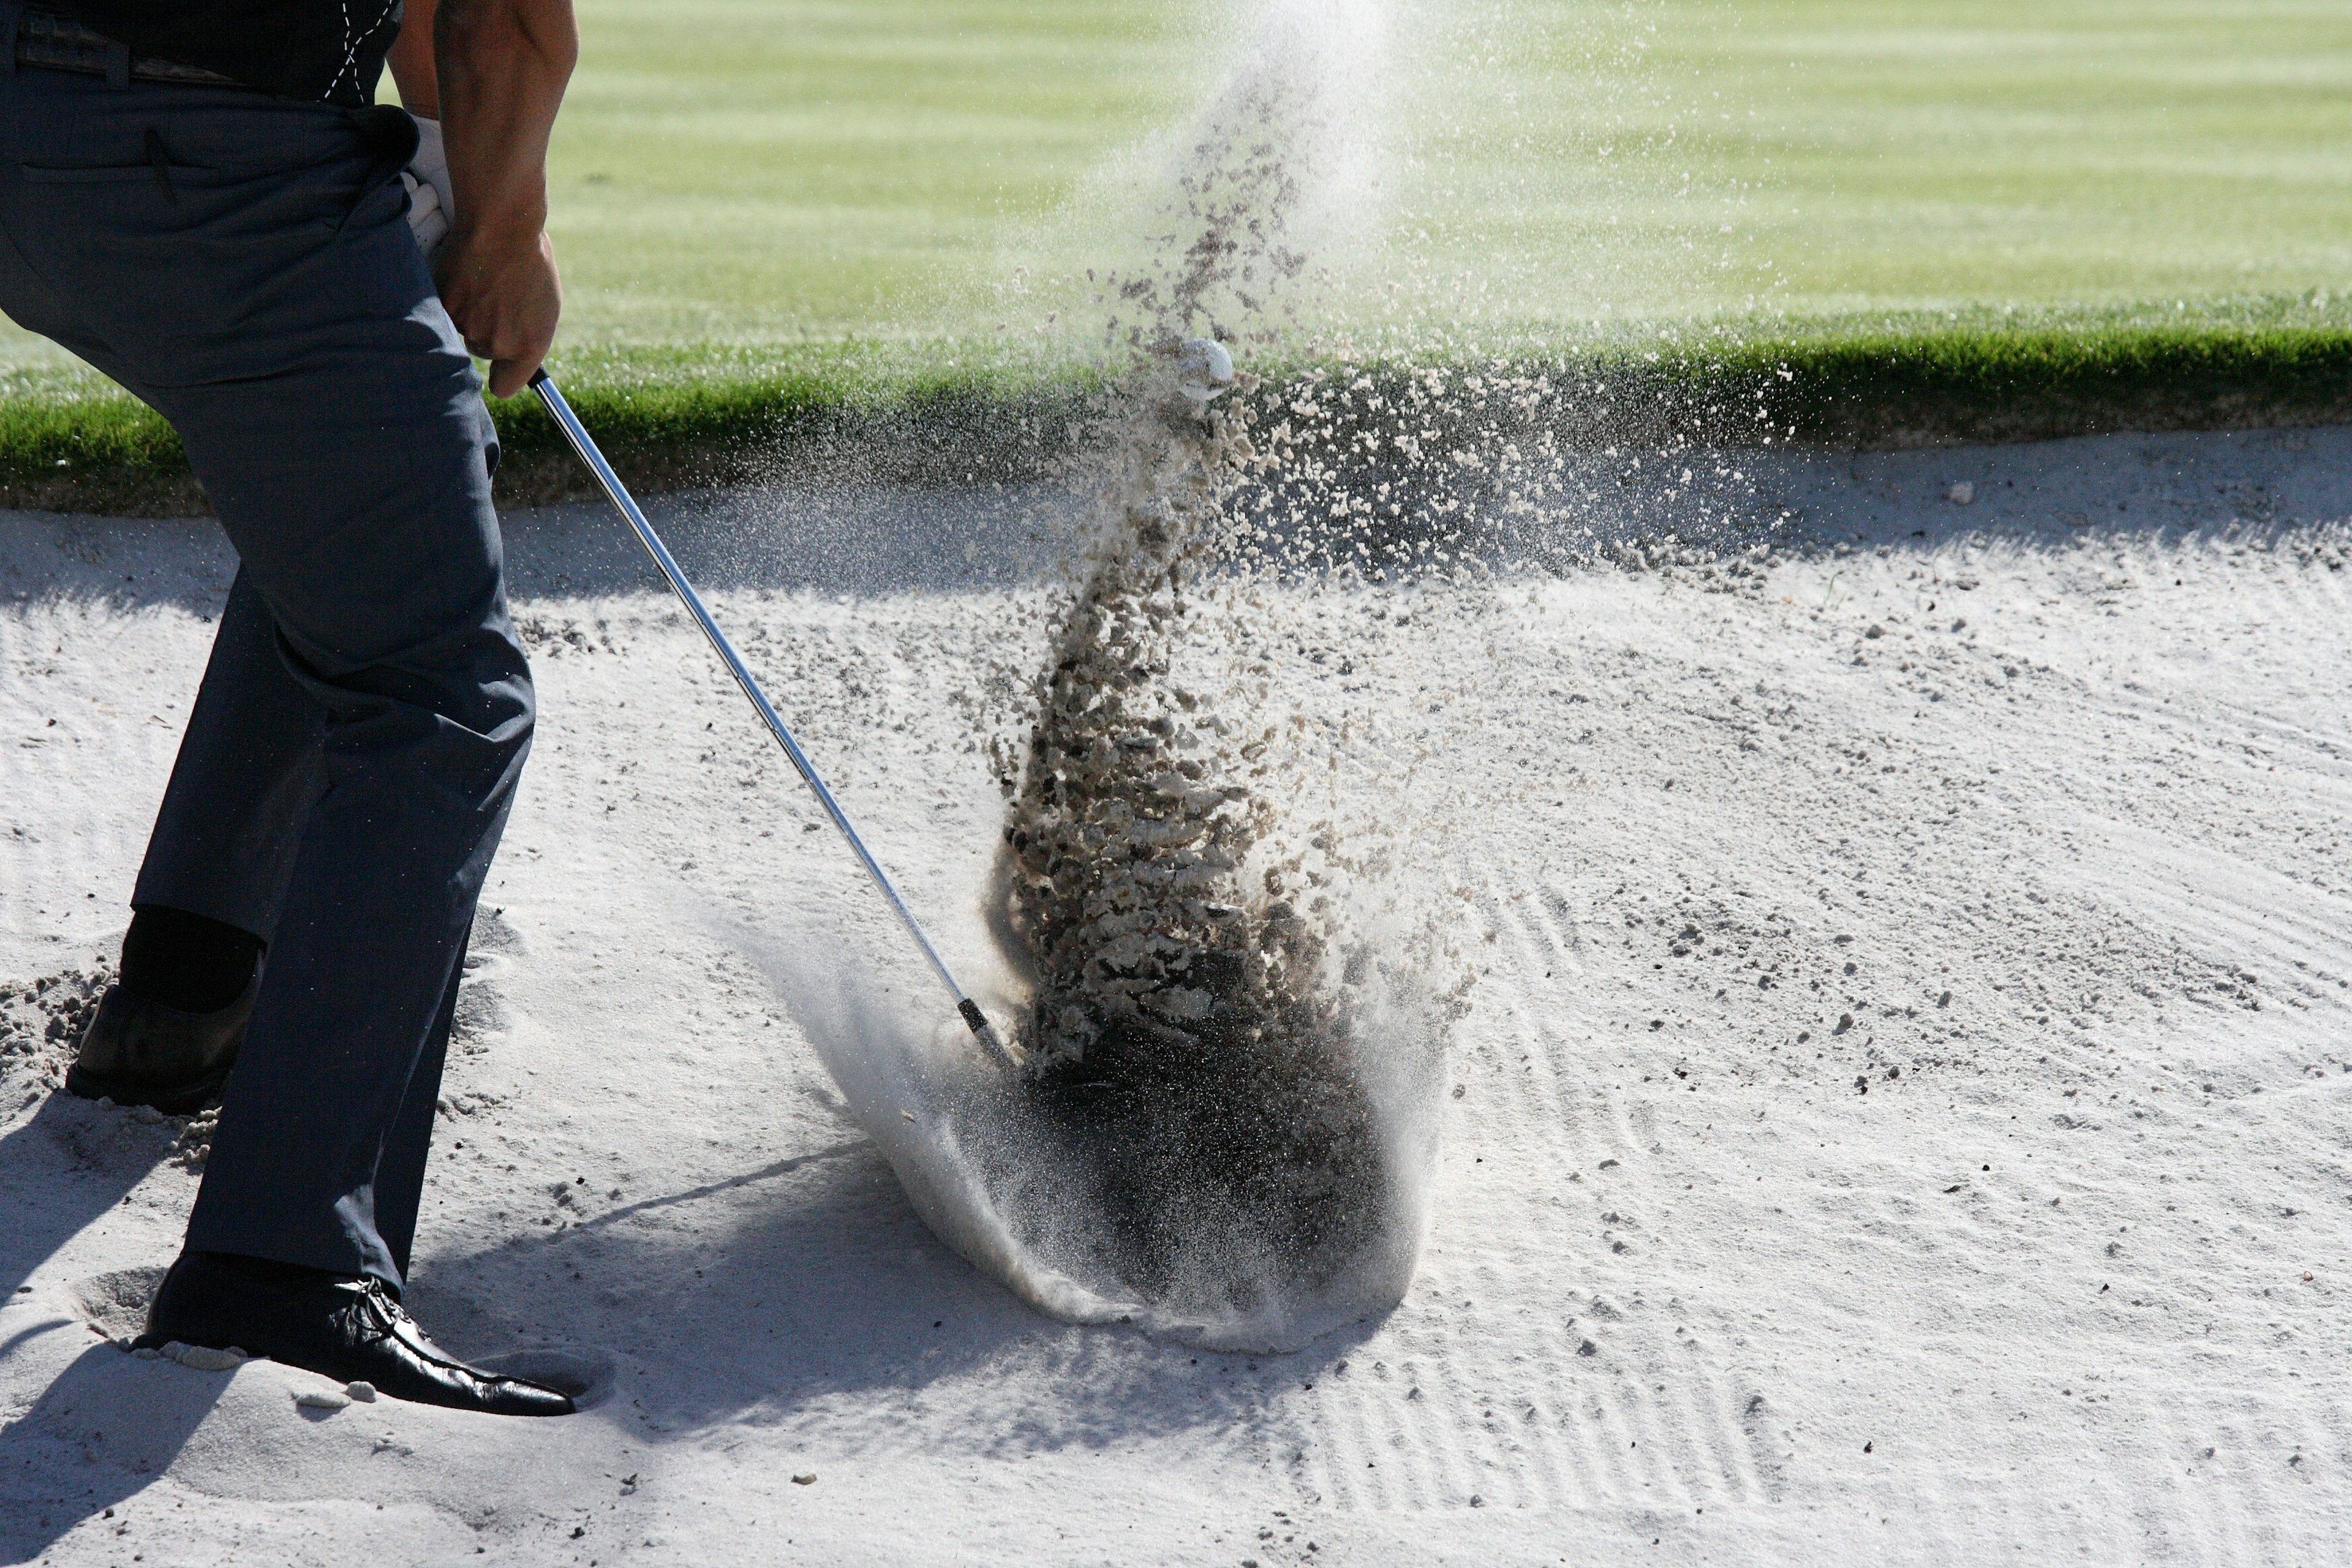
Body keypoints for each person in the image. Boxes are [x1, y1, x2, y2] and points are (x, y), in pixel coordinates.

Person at [2, 0, 579, 1415]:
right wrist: (499, 240)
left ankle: (184, 1007)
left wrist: (441, 196)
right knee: (443, 689)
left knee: (360, 503)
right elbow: (505, 23)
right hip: (200, 161)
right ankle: (289, 1259)